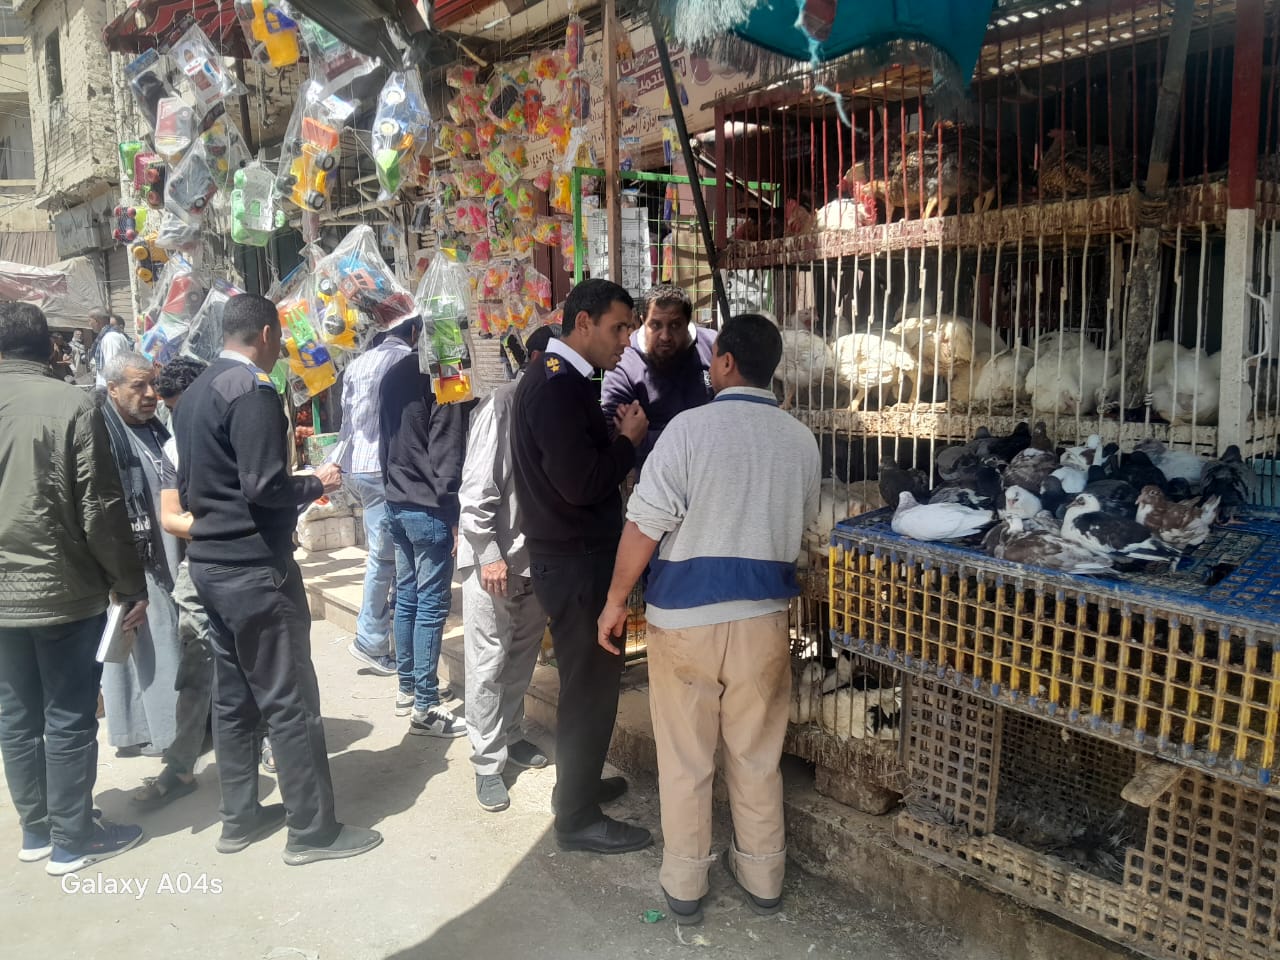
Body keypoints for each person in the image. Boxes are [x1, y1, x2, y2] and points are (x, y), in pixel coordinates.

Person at [597, 313, 821, 924]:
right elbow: (802, 524)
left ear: (723, 361)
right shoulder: (801, 441)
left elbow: (644, 527)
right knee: (756, 753)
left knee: (687, 757)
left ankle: (686, 882)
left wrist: (615, 601)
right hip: (764, 618)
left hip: (685, 622)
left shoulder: (688, 431)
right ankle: (764, 874)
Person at [175, 293, 381, 865]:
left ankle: (239, 817)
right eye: (281, 337)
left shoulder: (197, 391)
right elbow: (264, 486)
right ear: (266, 333)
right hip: (253, 570)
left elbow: (194, 487)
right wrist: (316, 483)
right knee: (290, 700)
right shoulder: (253, 391)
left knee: (235, 698)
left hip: (211, 565)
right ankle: (312, 832)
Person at [0, 301, 148, 875]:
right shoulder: (72, 405)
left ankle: (37, 830)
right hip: (61, 589)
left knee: (16, 715)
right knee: (67, 714)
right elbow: (100, 507)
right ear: (50, 348)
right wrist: (128, 584)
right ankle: (73, 838)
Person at [509, 278, 652, 854]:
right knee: (590, 689)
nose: (626, 340)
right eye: (619, 328)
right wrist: (628, 442)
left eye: (630, 329)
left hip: (568, 556)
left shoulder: (559, 376)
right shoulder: (558, 386)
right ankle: (576, 818)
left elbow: (569, 465)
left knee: (587, 683)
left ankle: (579, 786)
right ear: (584, 322)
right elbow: (582, 483)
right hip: (576, 562)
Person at [459, 324, 559, 813]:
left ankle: (511, 734)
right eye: (556, 361)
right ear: (537, 358)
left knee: (520, 658)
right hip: (493, 558)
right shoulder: (501, 404)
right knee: (488, 661)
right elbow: (477, 490)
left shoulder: (558, 405)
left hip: (534, 559)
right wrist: (489, 554)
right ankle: (486, 762)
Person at [129, 356, 214, 809]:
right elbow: (169, 517)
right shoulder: (175, 448)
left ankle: (266, 742)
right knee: (195, 667)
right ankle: (181, 765)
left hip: (247, 567)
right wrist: (222, 526)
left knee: (259, 661)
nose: (181, 417)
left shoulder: (241, 429)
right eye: (175, 409)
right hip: (201, 568)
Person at [379, 339, 471, 737]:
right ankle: (426, 705)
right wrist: (454, 515)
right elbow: (447, 453)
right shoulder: (446, 372)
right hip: (429, 508)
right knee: (430, 607)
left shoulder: (395, 372)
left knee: (407, 598)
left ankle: (408, 688)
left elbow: (384, 440)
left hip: (398, 501)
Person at [99, 353, 184, 760]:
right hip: (135, 556)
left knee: (159, 638)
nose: (151, 393)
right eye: (139, 386)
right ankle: (163, 733)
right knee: (148, 639)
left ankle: (158, 726)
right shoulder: (102, 435)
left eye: (153, 384)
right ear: (113, 389)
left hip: (167, 549)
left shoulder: (154, 429)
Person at [329, 319, 419, 681]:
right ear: (414, 332)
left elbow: (347, 421)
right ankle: (370, 639)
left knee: (389, 552)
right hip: (385, 467)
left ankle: (389, 625)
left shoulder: (357, 364)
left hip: (357, 466)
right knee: (383, 558)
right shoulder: (407, 361)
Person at [600, 284, 716, 471]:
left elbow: (733, 412)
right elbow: (615, 435)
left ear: (688, 323)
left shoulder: (712, 347)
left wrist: (646, 437)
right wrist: (701, 440)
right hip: (656, 475)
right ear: (642, 321)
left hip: (712, 470)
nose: (665, 336)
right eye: (655, 325)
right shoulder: (624, 366)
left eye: (675, 325)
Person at [89, 307, 129, 392]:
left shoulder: (110, 337)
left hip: (110, 391)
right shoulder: (115, 335)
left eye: (90, 321)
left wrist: (111, 392)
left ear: (96, 321)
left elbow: (113, 367)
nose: (89, 324)